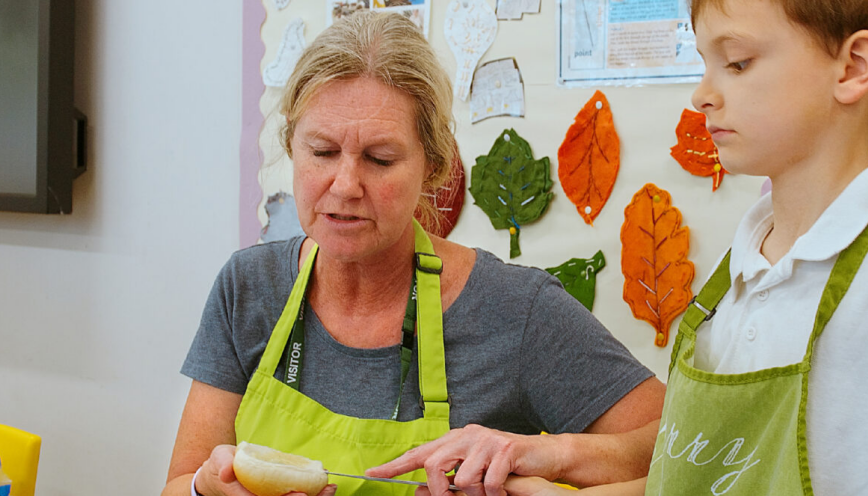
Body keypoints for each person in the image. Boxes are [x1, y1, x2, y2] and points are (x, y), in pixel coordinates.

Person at [502, 0, 868, 495]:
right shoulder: (731, 280)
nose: (701, 95)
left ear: (853, 68)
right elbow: (698, 481)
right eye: (705, 63)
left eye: (736, 63)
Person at [163, 10, 665, 496]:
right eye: (321, 151)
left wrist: (549, 454)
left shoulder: (517, 310)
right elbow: (176, 485)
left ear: (435, 165)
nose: (344, 185)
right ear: (290, 146)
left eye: (380, 159)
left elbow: (679, 444)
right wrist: (203, 491)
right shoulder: (249, 287)